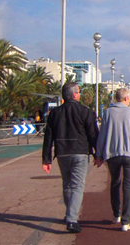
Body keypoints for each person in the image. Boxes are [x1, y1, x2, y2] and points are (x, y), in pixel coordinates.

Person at [42, 82, 98, 233]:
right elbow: (93, 135)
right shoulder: (85, 111)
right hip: (80, 152)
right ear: (74, 94)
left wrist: (46, 159)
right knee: (77, 186)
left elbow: (48, 137)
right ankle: (72, 220)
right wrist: (98, 153)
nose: (79, 94)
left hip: (62, 153)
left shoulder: (54, 113)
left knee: (67, 184)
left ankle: (69, 214)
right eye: (78, 92)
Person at [94, 88, 130, 232]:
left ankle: (116, 214)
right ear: (127, 99)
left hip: (113, 154)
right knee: (127, 186)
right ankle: (125, 221)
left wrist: (99, 155)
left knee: (115, 182)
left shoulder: (108, 112)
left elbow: (102, 135)